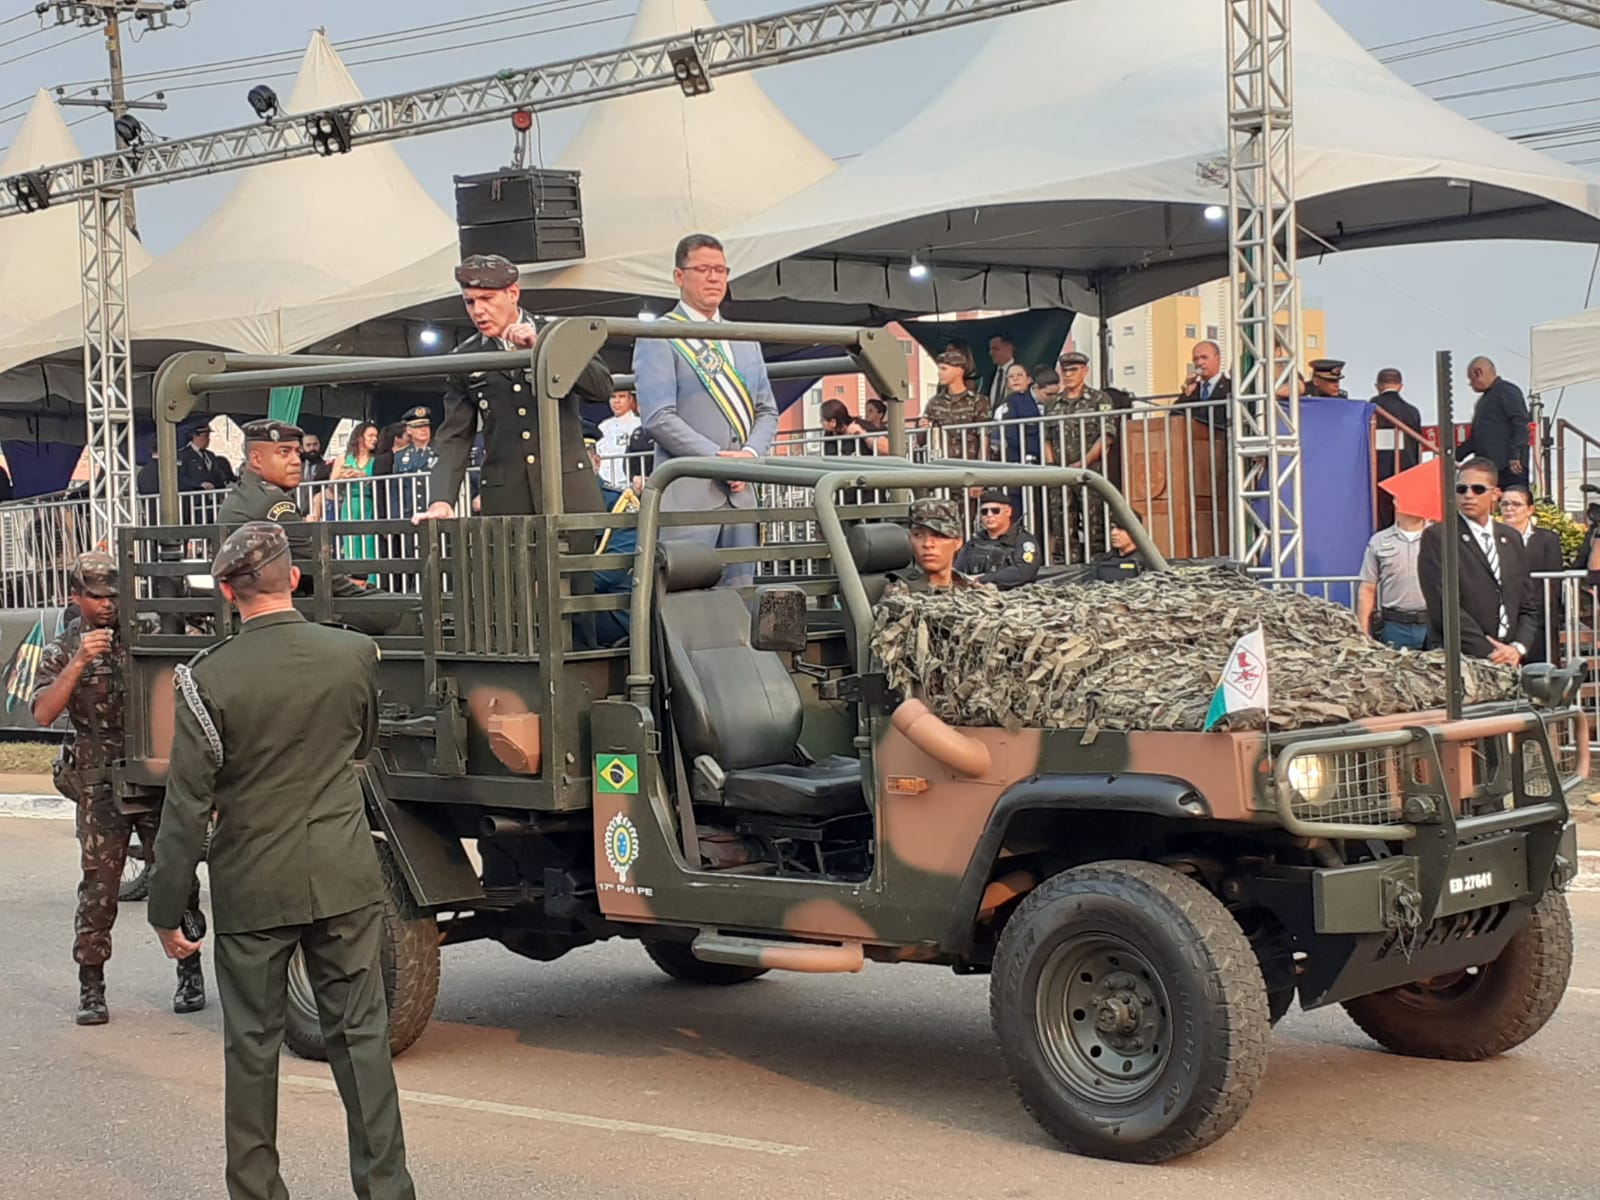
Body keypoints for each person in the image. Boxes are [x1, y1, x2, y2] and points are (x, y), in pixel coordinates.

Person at [148, 522, 416, 1200]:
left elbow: (186, 804)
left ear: (230, 593)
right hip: (344, 874)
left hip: (253, 883)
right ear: (292, 580)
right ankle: (386, 1189)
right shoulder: (353, 654)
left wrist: (168, 906)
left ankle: (258, 1190)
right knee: (361, 1039)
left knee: (252, 1049)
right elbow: (363, 743)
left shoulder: (207, 677)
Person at [31, 551, 205, 1025]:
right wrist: (81, 660)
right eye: (96, 596)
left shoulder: (143, 632)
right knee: (99, 891)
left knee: (177, 878)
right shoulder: (63, 649)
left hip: (151, 779)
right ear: (75, 597)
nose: (107, 605)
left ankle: (190, 971)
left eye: (113, 595)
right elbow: (43, 713)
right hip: (100, 786)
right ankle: (92, 988)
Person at [416, 253, 613, 523]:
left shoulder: (558, 333)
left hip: (568, 493)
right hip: (507, 501)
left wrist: (543, 348)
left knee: (576, 566)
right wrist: (440, 499)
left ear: (513, 293)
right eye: (470, 302)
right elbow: (454, 435)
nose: (478, 310)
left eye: (487, 299)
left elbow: (601, 387)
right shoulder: (466, 356)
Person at [633, 233, 779, 588]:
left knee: (742, 598)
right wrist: (717, 460)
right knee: (685, 601)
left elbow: (767, 411)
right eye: (702, 269)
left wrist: (747, 455)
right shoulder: (659, 335)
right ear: (679, 276)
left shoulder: (744, 337)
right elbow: (658, 417)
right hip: (689, 493)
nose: (714, 278)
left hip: (742, 492)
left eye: (720, 270)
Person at [218, 420, 394, 627]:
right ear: (256, 459)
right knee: (400, 613)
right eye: (284, 452)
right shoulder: (273, 501)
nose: (296, 461)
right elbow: (316, 567)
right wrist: (359, 591)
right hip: (291, 611)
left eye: (297, 453)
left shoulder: (245, 494)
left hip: (261, 609)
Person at [1419, 456, 1539, 664]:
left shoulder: (1510, 538)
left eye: (1478, 489)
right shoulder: (1439, 536)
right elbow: (1442, 605)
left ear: (1495, 495)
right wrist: (1490, 653)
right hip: (1462, 659)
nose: (1468, 495)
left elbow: (1527, 604)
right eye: (1461, 489)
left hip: (1509, 657)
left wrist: (1517, 647)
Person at [1045, 350, 1117, 559]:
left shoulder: (1099, 399)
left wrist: (1083, 463)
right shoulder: (1053, 403)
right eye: (1065, 370)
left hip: (1089, 473)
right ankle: (1066, 568)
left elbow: (1107, 437)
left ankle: (1098, 565)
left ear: (1085, 371)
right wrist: (1051, 466)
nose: (1068, 375)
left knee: (1095, 526)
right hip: (1060, 475)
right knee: (1063, 527)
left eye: (1074, 370)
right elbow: (1047, 437)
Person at [1499, 482, 1564, 663]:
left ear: (1529, 510)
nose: (1509, 508)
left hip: (1538, 622)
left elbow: (1552, 585)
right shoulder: (1493, 537)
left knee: (1539, 679)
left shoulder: (1547, 539)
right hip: (1501, 622)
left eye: (1516, 504)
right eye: (1505, 504)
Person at [1355, 503, 1430, 650]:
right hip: (1394, 627)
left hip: (1433, 626)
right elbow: (1367, 589)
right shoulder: (1378, 541)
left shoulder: (1440, 537)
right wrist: (1362, 630)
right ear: (1395, 500)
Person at [1457, 357, 1531, 489]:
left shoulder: (1507, 391)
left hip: (1509, 467)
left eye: (1471, 379)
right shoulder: (1484, 401)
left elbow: (1520, 423)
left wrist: (1515, 455)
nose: (1470, 384)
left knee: (1512, 503)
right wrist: (1456, 455)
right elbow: (1478, 437)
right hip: (1490, 469)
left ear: (1478, 373)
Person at [884, 498, 977, 594]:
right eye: (918, 535)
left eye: (938, 535)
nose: (927, 544)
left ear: (957, 542)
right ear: (909, 539)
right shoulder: (901, 594)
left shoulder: (974, 589)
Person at [954, 488, 1040, 589]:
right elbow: (958, 571)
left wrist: (985, 579)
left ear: (1008, 512)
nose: (989, 515)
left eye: (995, 511)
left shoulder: (1023, 541)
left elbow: (1023, 572)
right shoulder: (975, 542)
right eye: (984, 512)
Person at [1370, 368, 1423, 529]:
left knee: (1380, 521)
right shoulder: (1412, 412)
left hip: (1377, 473)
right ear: (1400, 386)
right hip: (1407, 472)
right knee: (1403, 521)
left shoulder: (1372, 408)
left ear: (1378, 386)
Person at [924, 347, 992, 462]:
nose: (939, 373)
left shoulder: (978, 401)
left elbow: (984, 437)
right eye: (939, 369)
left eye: (944, 369)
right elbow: (923, 438)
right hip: (943, 465)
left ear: (958, 370)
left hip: (970, 464)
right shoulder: (934, 402)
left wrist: (982, 467)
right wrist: (923, 426)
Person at [330, 421, 379, 571]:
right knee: (351, 543)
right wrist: (343, 478)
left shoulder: (376, 460)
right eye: (370, 435)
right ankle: (352, 581)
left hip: (369, 505)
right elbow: (331, 485)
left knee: (369, 544)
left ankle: (371, 582)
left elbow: (380, 486)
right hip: (350, 505)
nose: (374, 439)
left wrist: (363, 476)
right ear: (359, 437)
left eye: (376, 436)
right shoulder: (344, 459)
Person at [1177, 339, 1232, 427]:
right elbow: (1174, 417)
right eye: (1195, 359)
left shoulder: (1230, 386)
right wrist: (1186, 392)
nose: (1199, 363)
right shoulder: (1192, 389)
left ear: (1217, 359)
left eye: (1204, 357)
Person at [597, 389, 643, 487]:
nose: (616, 401)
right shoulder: (603, 426)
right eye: (613, 397)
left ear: (630, 399)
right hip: (606, 482)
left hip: (628, 482)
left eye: (621, 396)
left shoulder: (639, 425)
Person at [177, 421, 238, 492]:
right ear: (195, 436)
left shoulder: (210, 455)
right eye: (205, 436)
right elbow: (181, 478)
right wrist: (199, 484)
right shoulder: (183, 455)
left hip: (211, 497)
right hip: (194, 498)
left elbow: (216, 475)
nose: (208, 440)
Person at [1092, 513, 1150, 582]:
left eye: (1120, 528)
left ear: (1135, 530)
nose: (1114, 533)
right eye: (1112, 528)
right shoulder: (1103, 560)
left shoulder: (1149, 562)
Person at [821, 398, 888, 456]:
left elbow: (887, 449)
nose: (821, 422)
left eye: (823, 420)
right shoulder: (829, 434)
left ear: (833, 422)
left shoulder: (863, 426)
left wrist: (863, 434)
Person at [987, 332, 1018, 411]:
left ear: (1009, 348)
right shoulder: (989, 375)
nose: (991, 353)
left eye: (995, 349)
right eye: (990, 349)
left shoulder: (1021, 372)